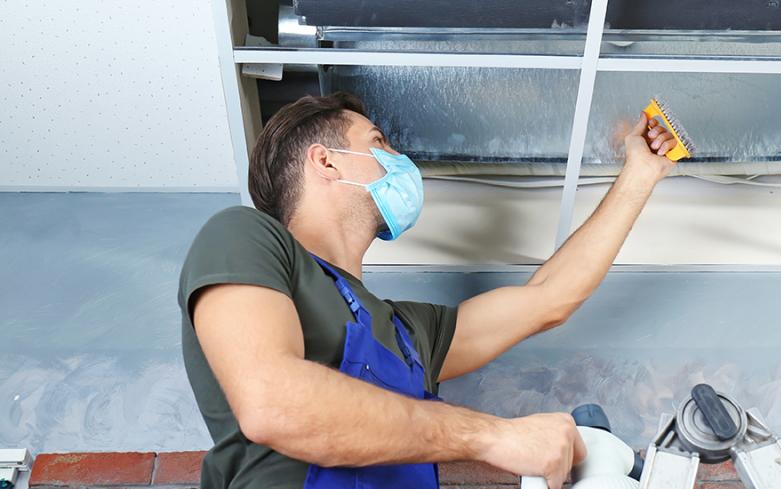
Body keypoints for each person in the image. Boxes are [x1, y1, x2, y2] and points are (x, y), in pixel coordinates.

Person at [177, 91, 679, 489]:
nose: (399, 159)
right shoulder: (244, 236)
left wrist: (641, 173)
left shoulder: (408, 331)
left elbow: (549, 299)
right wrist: (491, 435)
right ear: (326, 162)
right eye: (379, 142)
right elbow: (274, 403)